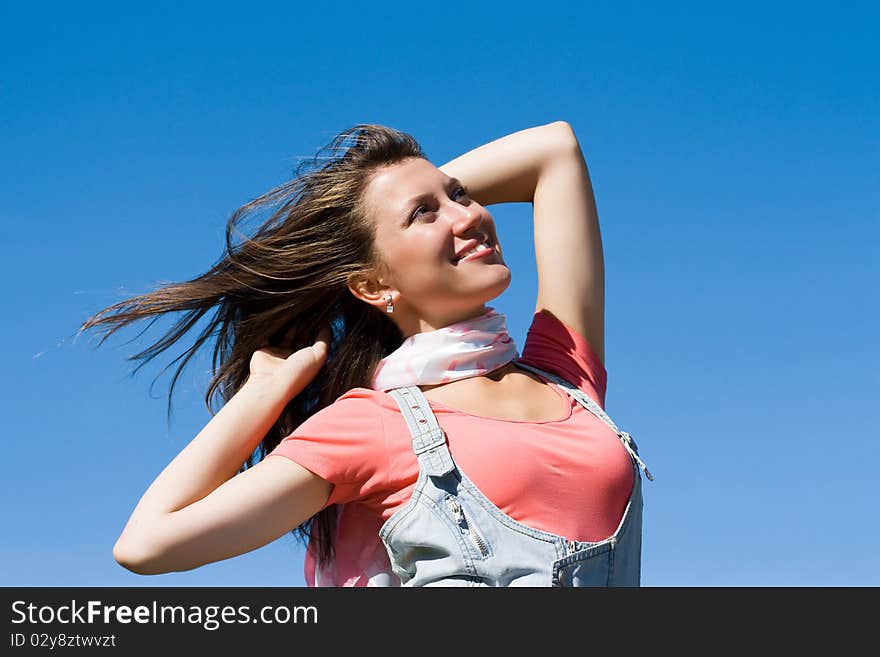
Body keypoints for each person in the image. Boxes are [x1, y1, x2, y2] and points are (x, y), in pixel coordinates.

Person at [82, 120, 653, 587]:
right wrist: (262, 393)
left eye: (460, 196)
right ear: (375, 285)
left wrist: (395, 205)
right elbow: (147, 545)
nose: (470, 215)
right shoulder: (372, 426)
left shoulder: (565, 373)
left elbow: (553, 150)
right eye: (424, 213)